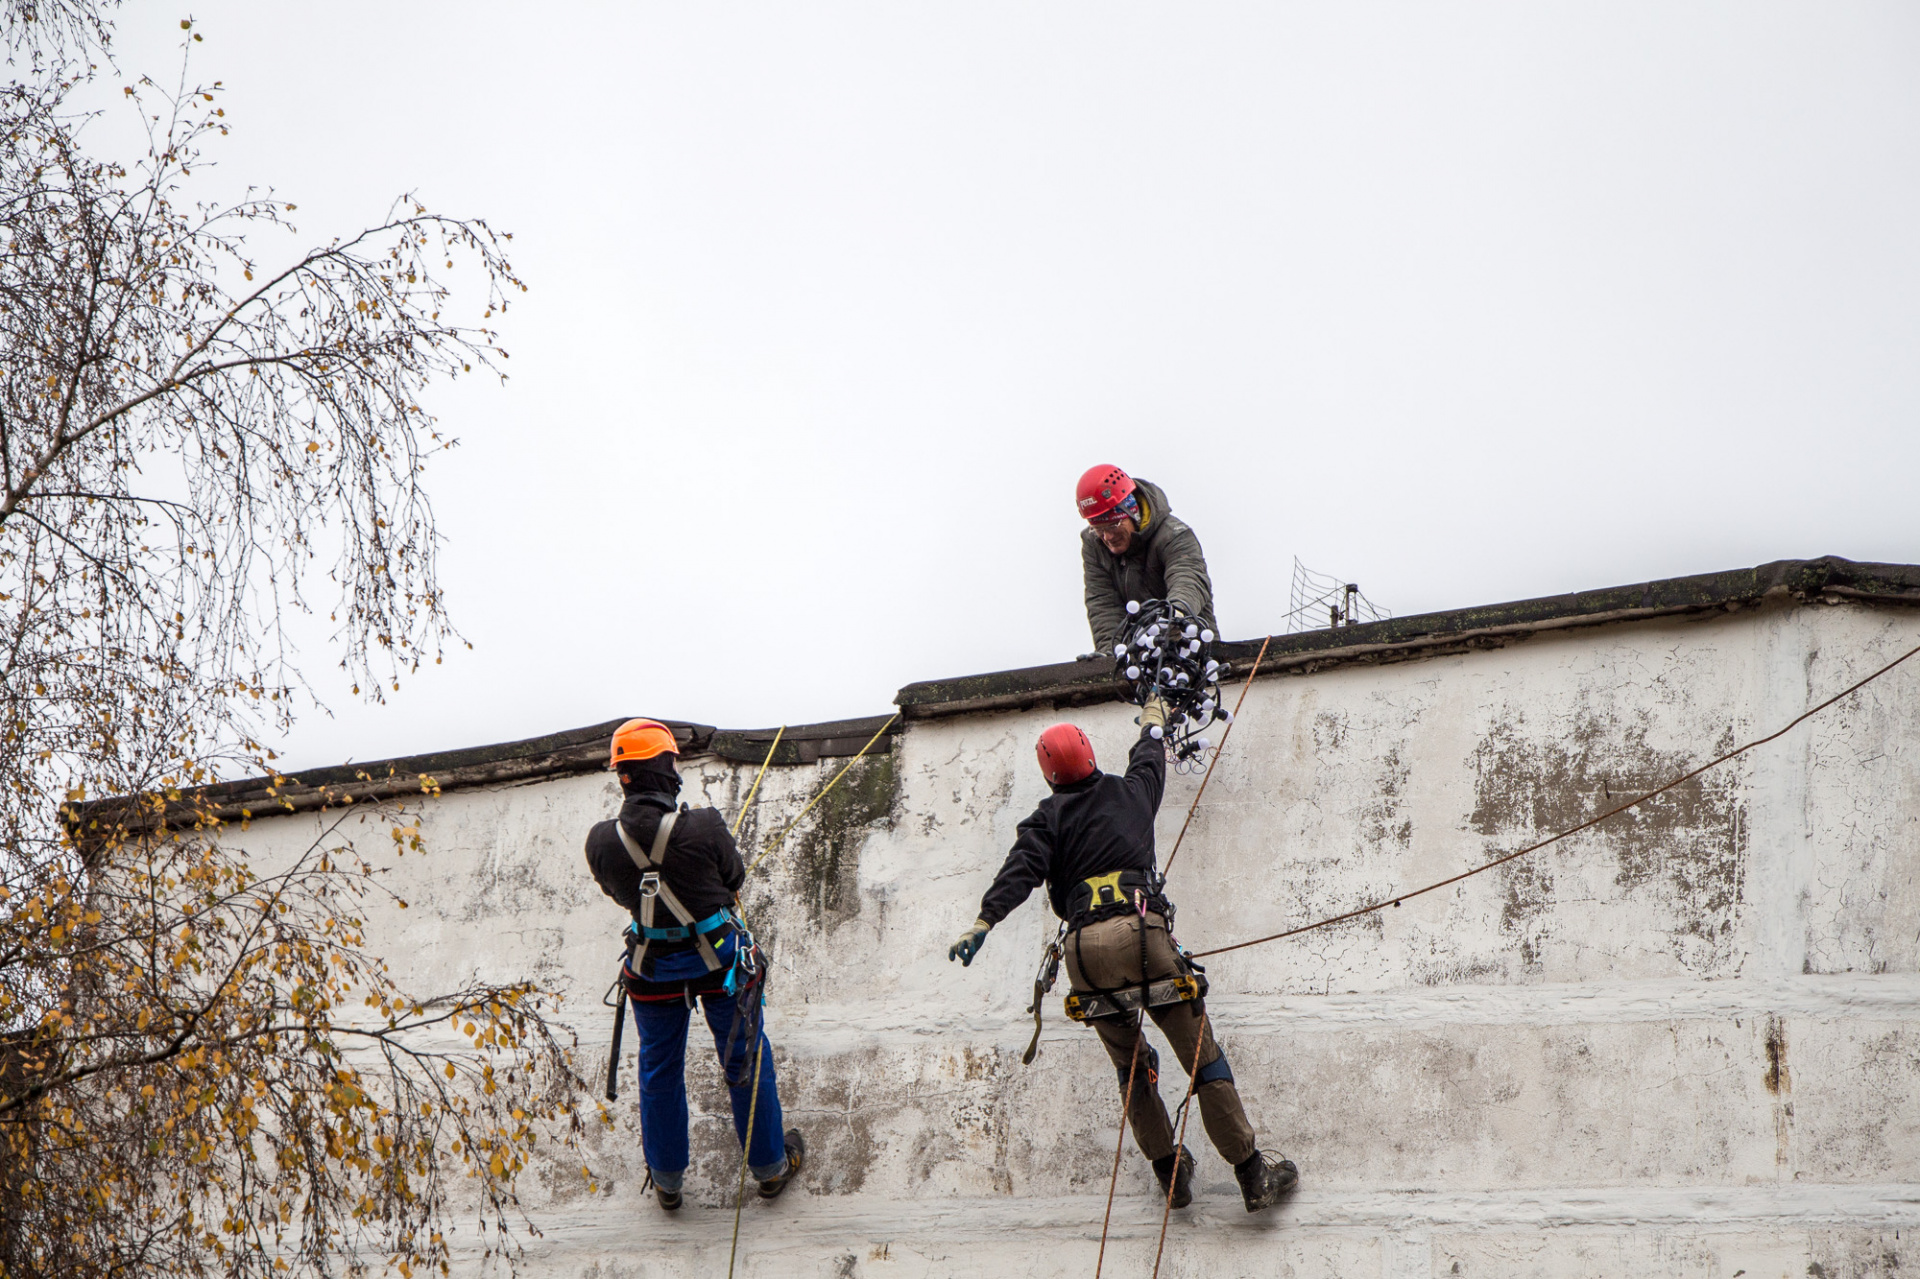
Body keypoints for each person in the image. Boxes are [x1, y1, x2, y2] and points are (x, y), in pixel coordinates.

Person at [946, 703, 1298, 1212]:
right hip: (1141, 935)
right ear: (1089, 753)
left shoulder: (1045, 818)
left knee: (1132, 1067)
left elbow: (1020, 870)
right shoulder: (1130, 793)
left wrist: (983, 922)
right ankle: (1250, 1172)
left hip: (1083, 953)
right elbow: (1149, 756)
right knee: (1202, 1059)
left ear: (1049, 774)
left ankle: (1170, 1173)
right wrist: (1152, 718)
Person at [583, 718, 804, 1211]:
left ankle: (666, 1181)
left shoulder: (600, 842)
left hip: (651, 970)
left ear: (623, 774)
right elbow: (734, 877)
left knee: (659, 1070)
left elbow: (620, 894)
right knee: (744, 1060)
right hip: (719, 966)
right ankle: (769, 1167)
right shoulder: (702, 826)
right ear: (665, 769)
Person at [1077, 464, 1216, 654]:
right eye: (1098, 529)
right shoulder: (1094, 545)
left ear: (1132, 512)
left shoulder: (1174, 535)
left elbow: (1188, 579)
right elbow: (1103, 604)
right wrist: (1111, 656)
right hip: (1139, 663)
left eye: (1113, 525)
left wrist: (1174, 616)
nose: (1107, 537)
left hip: (1191, 653)